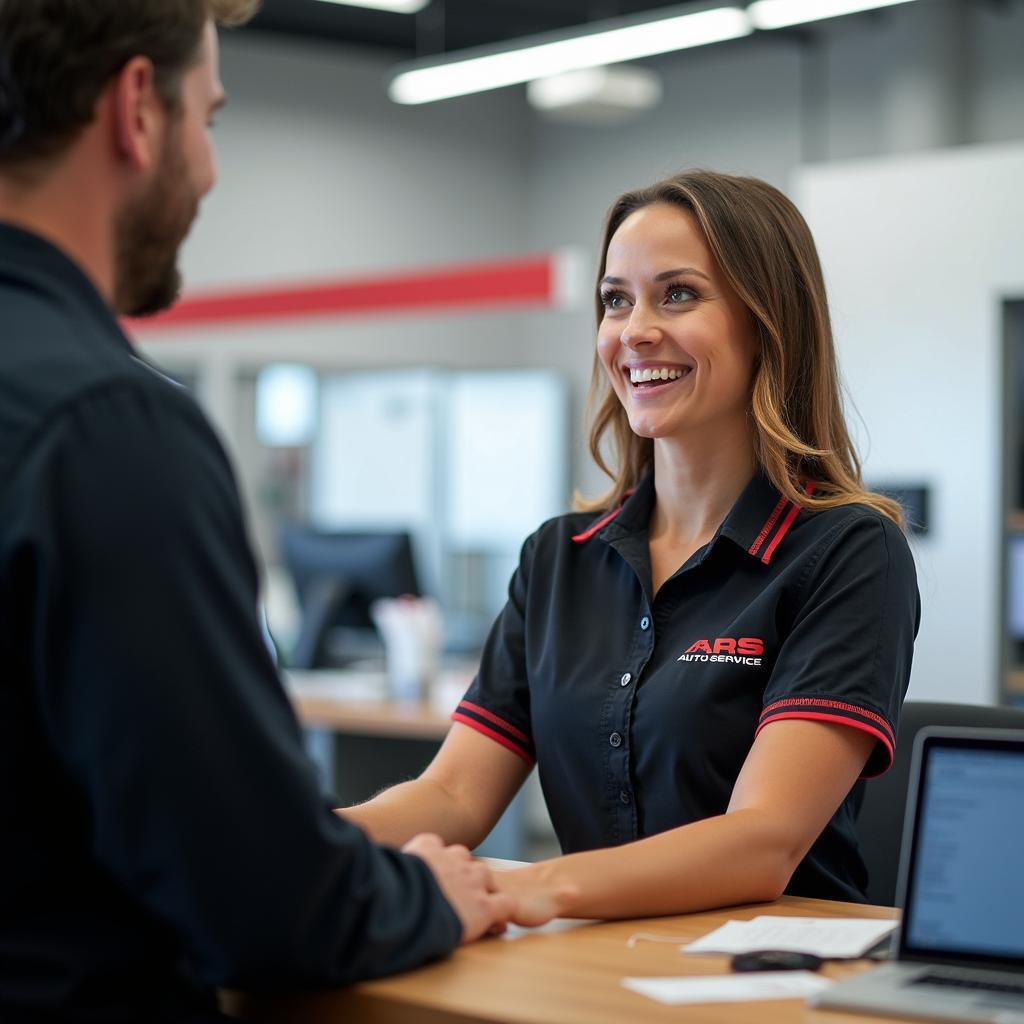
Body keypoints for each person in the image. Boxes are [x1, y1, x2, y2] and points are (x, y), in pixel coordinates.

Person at [0, 3, 523, 1021]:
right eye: (211, 116)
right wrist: (426, 893)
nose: (208, 167)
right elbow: (265, 901)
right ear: (136, 109)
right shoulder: (107, 427)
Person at [342, 170, 920, 923]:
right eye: (617, 299)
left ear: (767, 320)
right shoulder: (559, 557)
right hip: (599, 962)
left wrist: (534, 888)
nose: (634, 330)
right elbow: (452, 793)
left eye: (677, 294)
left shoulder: (848, 551)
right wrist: (300, 844)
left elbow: (761, 841)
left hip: (773, 981)